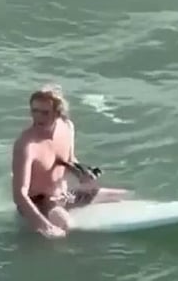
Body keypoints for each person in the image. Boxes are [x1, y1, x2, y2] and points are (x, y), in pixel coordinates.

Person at [11, 85, 129, 238]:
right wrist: (44, 226)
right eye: (34, 111)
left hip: (64, 194)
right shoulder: (27, 145)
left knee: (122, 195)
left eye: (45, 113)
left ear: (58, 113)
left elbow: (68, 160)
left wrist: (82, 172)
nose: (38, 117)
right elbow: (19, 195)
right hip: (40, 202)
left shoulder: (67, 127)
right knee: (67, 225)